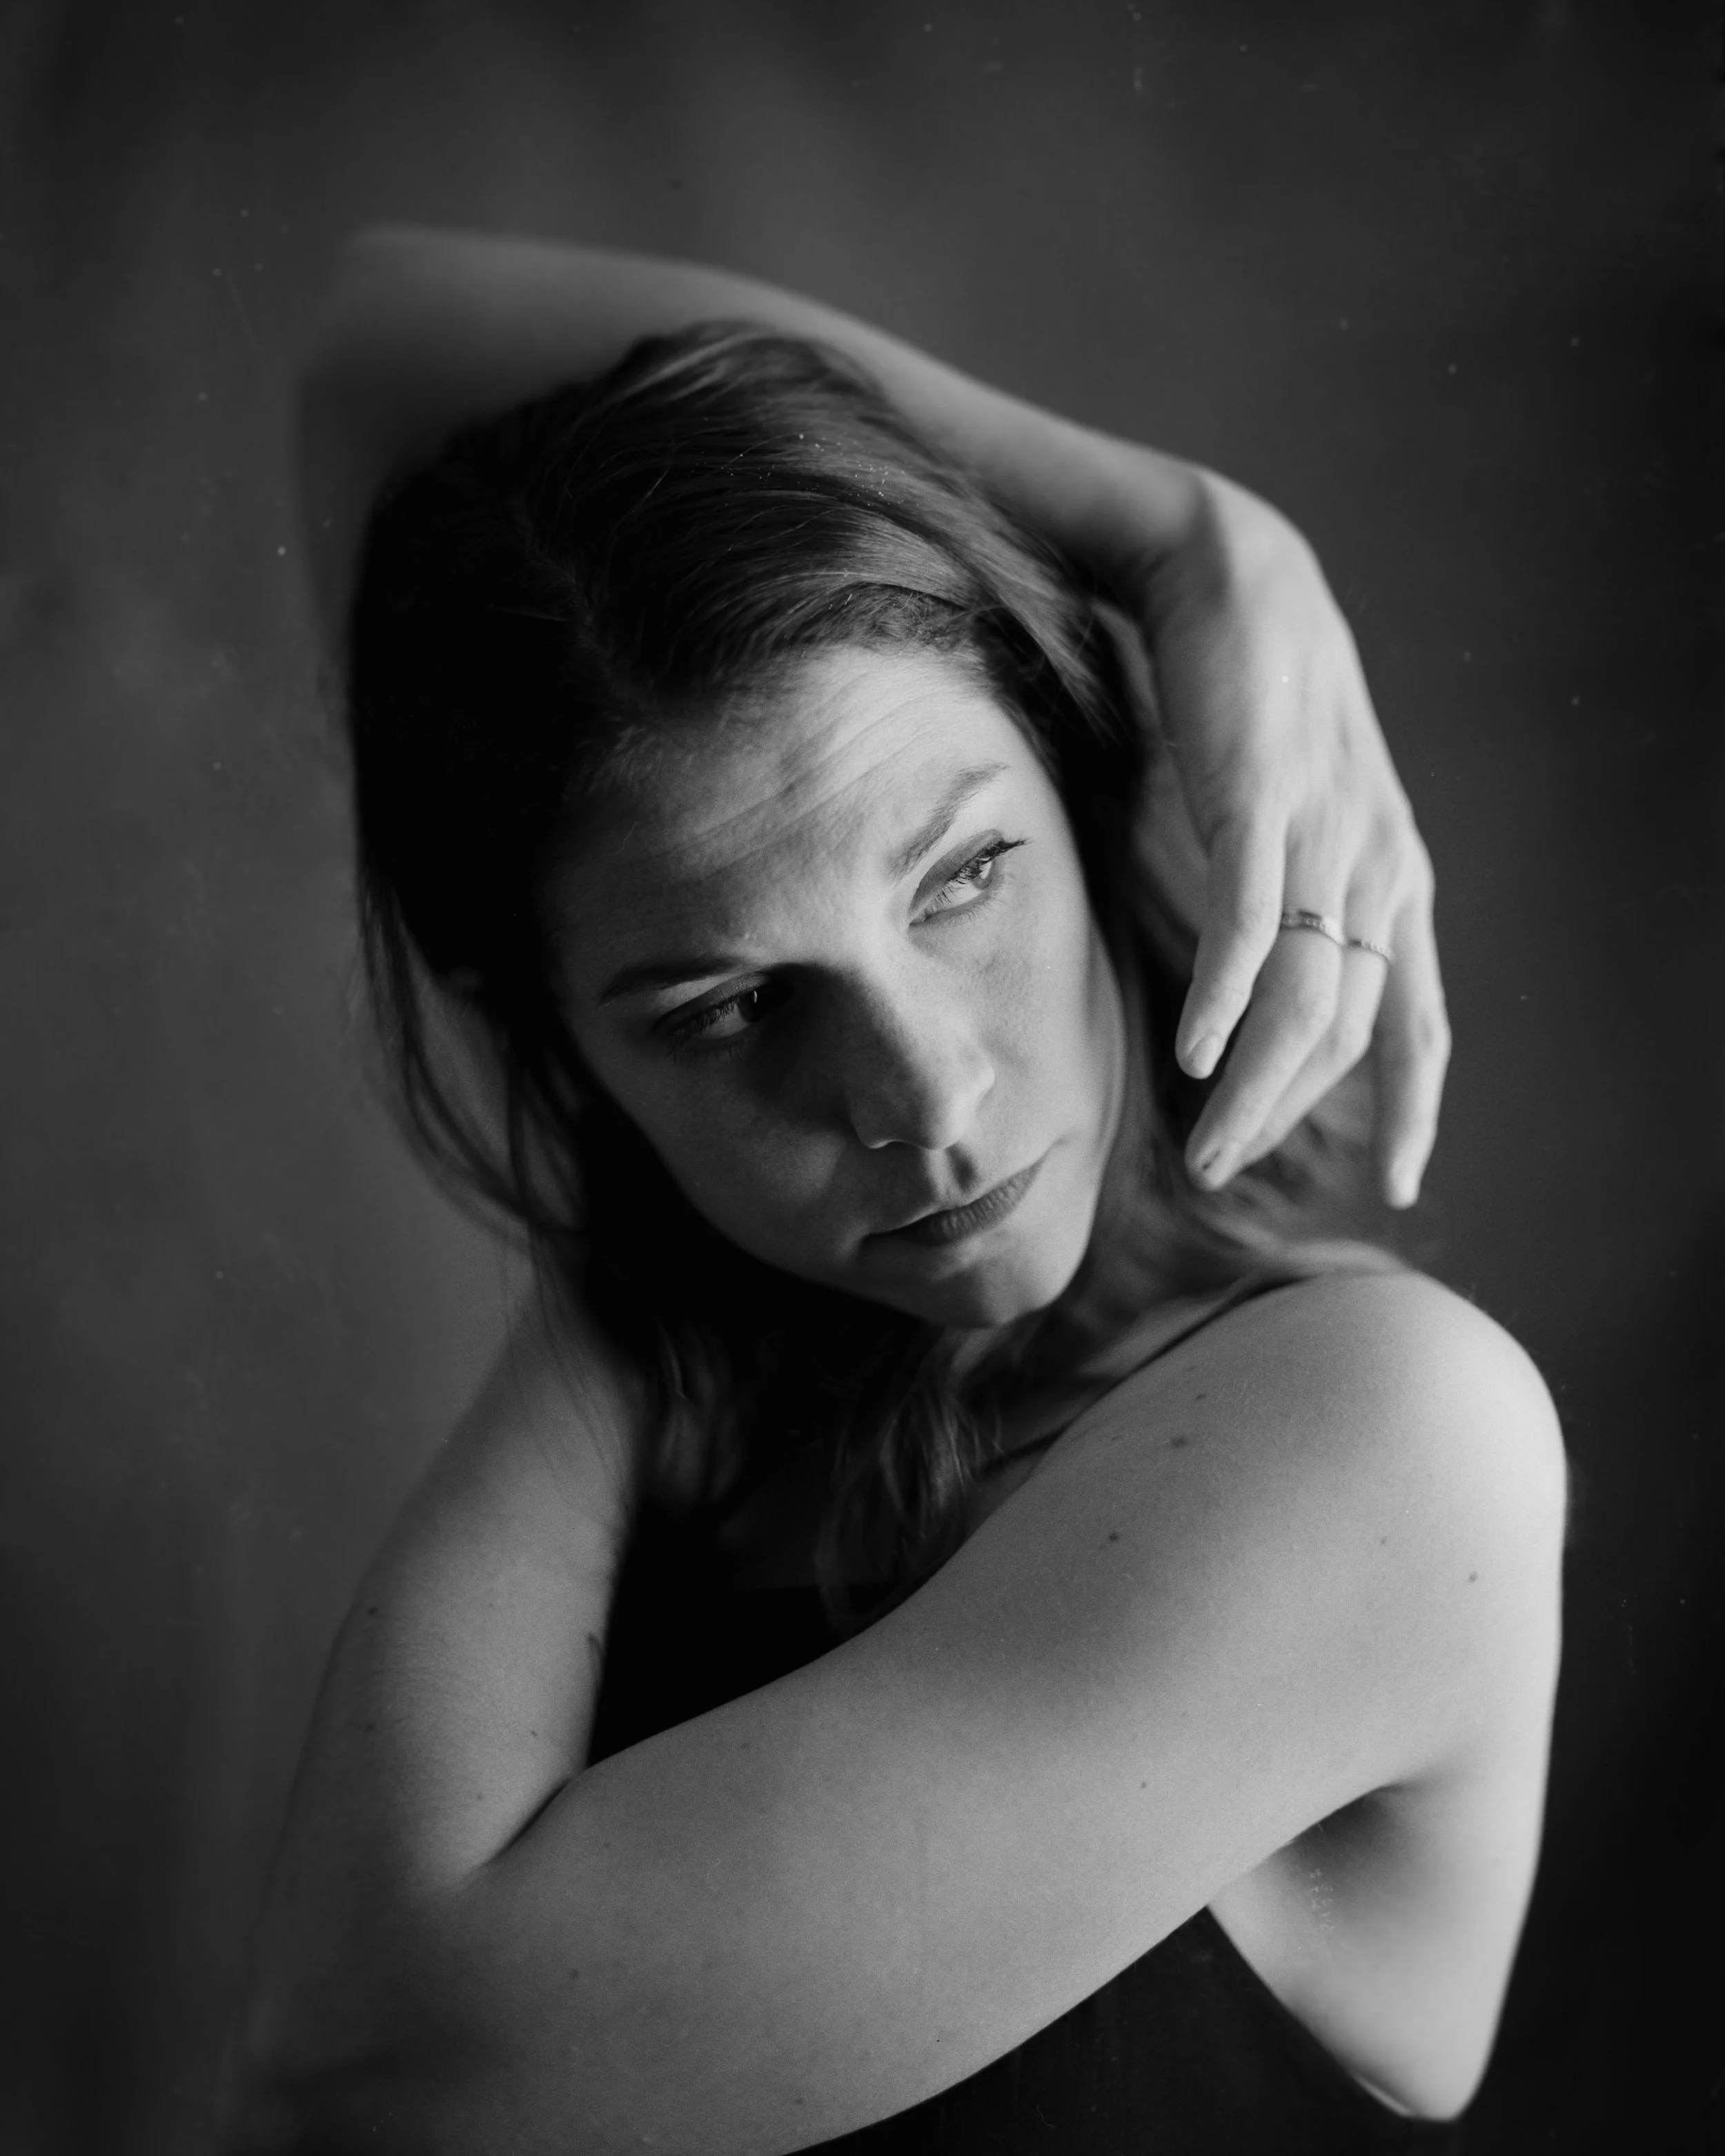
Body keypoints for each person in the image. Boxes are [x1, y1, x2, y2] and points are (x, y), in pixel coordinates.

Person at [228, 231, 1564, 2155]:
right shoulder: (713, 1409)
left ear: (1087, 774)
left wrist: (1204, 555)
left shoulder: (1379, 1428)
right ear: (542, 1027)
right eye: (733, 1005)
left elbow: (361, 2074)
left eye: (960, 876)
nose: (926, 1098)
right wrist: (1181, 529)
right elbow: (381, 343)